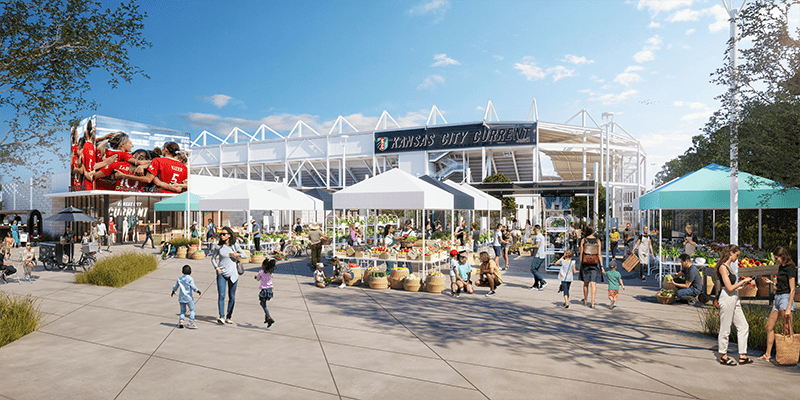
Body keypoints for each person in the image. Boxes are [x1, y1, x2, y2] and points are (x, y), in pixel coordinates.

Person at [716, 244, 754, 366]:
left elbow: (733, 288)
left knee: (743, 326)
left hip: (734, 297)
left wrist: (743, 285)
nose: (737, 258)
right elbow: (729, 287)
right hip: (727, 298)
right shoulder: (723, 267)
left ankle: (742, 355)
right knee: (725, 327)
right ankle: (723, 355)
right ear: (731, 253)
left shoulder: (729, 267)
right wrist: (742, 281)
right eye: (736, 255)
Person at [758, 246, 796, 362]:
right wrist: (771, 283)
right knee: (769, 326)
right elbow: (780, 286)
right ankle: (767, 355)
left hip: (785, 299)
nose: (776, 260)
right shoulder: (780, 267)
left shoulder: (790, 269)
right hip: (778, 298)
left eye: (777, 258)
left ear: (782, 256)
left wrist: (789, 308)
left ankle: (791, 356)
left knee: (787, 329)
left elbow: (792, 289)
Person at [210, 227, 247, 325]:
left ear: (229, 235)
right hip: (221, 274)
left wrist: (236, 254)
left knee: (232, 297)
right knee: (221, 296)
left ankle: (228, 317)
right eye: (221, 234)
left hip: (233, 274)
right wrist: (217, 268)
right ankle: (221, 317)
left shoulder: (235, 246)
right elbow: (213, 258)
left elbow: (245, 255)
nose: (222, 236)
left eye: (224, 234)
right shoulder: (218, 247)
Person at [579, 226, 604, 308]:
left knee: (586, 283)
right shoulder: (597, 240)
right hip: (595, 263)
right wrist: (602, 266)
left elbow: (581, 253)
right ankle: (592, 302)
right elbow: (599, 254)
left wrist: (580, 264)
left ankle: (585, 300)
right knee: (593, 283)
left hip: (585, 263)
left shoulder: (584, 240)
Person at [171, 265, 201, 329]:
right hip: (188, 297)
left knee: (182, 310)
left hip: (181, 297)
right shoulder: (190, 279)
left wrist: (173, 291)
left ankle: (181, 321)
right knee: (192, 309)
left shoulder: (179, 279)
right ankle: (191, 322)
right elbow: (193, 286)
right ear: (190, 271)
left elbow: (175, 286)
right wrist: (197, 291)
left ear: (182, 271)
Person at [255, 257, 276, 327]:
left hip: (264, 290)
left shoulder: (261, 272)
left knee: (263, 304)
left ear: (263, 266)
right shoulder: (271, 273)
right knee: (263, 303)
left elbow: (258, 279)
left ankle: (269, 317)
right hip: (270, 290)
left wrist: (256, 277)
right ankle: (267, 318)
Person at [529, 224, 548, 290]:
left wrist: (528, 247)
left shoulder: (538, 237)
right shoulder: (541, 236)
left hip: (539, 256)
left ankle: (543, 282)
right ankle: (536, 285)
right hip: (540, 255)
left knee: (533, 269)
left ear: (536, 230)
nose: (533, 231)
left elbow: (537, 245)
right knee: (535, 270)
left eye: (533, 229)